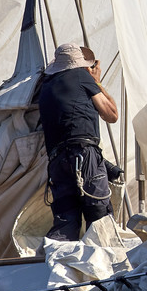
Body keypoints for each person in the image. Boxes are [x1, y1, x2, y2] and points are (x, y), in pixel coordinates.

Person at [36, 43, 119, 242]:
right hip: (84, 154)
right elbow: (111, 115)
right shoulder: (82, 76)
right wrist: (96, 82)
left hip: (57, 161)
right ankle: (102, 258)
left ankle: (57, 257)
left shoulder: (45, 86)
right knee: (99, 216)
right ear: (80, 65)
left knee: (66, 220)